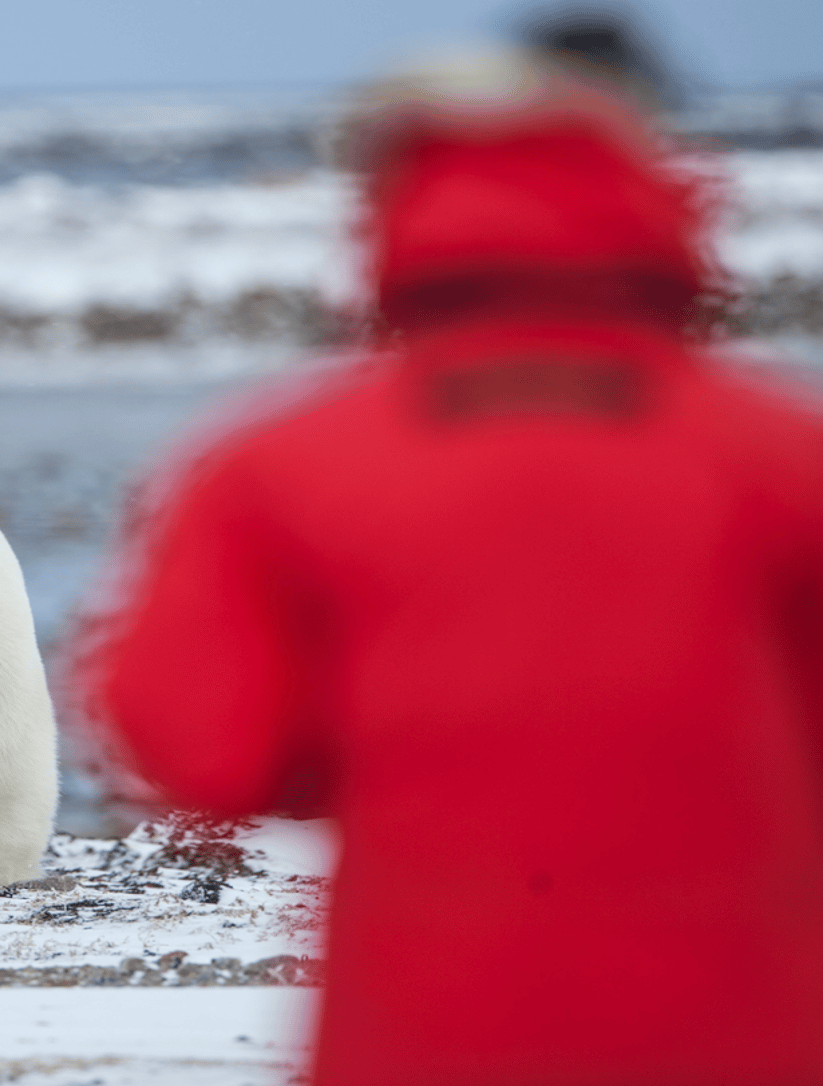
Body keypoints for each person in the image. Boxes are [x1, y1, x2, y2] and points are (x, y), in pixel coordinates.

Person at [80, 51, 823, 1086]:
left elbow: (194, 747)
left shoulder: (276, 464)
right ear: (652, 195)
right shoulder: (784, 453)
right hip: (742, 1035)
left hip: (424, 1033)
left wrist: (381, 761)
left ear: (396, 209)